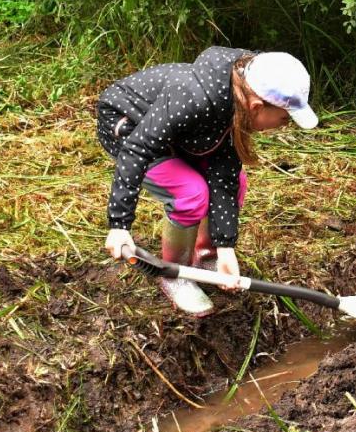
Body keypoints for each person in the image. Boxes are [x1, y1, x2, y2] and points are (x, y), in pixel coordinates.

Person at [97, 47, 319, 316]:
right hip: (128, 125)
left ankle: (205, 258)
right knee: (191, 193)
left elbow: (224, 176)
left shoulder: (235, 98)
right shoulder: (195, 99)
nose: (284, 125)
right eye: (284, 118)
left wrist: (225, 248)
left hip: (180, 131)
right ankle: (175, 275)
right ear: (257, 106)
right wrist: (119, 225)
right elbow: (137, 149)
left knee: (237, 182)